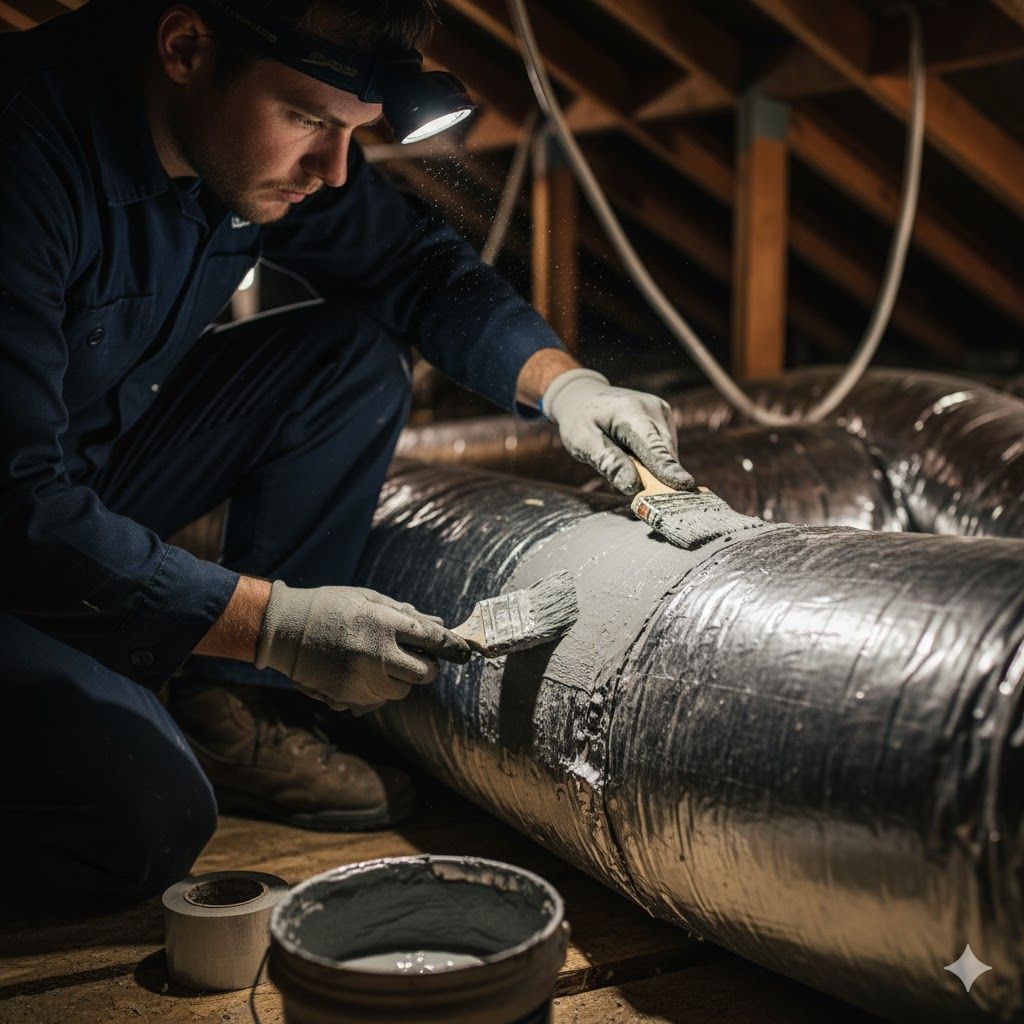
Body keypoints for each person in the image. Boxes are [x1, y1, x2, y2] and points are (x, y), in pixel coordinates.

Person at [0, 0, 693, 903]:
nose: (333, 170)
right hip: (17, 519)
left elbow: (409, 267)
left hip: (73, 477)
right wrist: (277, 624)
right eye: (309, 120)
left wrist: (565, 386)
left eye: (354, 132)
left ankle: (231, 707)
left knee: (353, 356)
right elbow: (19, 514)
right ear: (184, 45)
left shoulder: (232, 136)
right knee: (144, 820)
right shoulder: (24, 153)